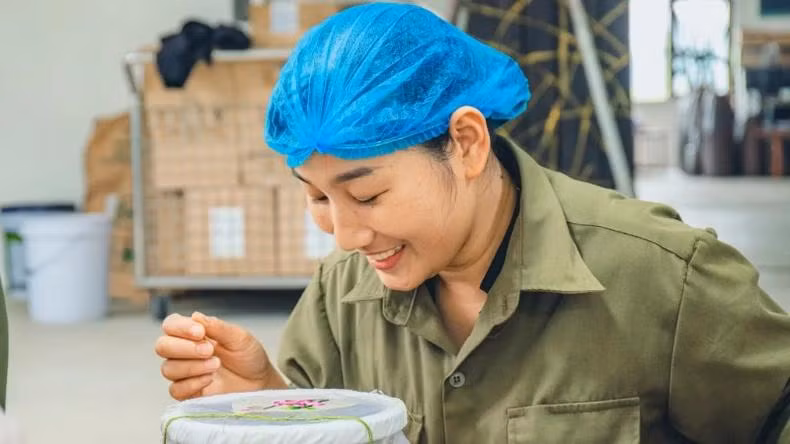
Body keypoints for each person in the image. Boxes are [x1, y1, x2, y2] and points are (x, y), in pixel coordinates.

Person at [155, 3, 790, 443]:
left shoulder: (662, 279)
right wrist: (263, 398)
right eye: (318, 199)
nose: (345, 237)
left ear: (465, 143)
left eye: (368, 196)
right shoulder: (341, 296)